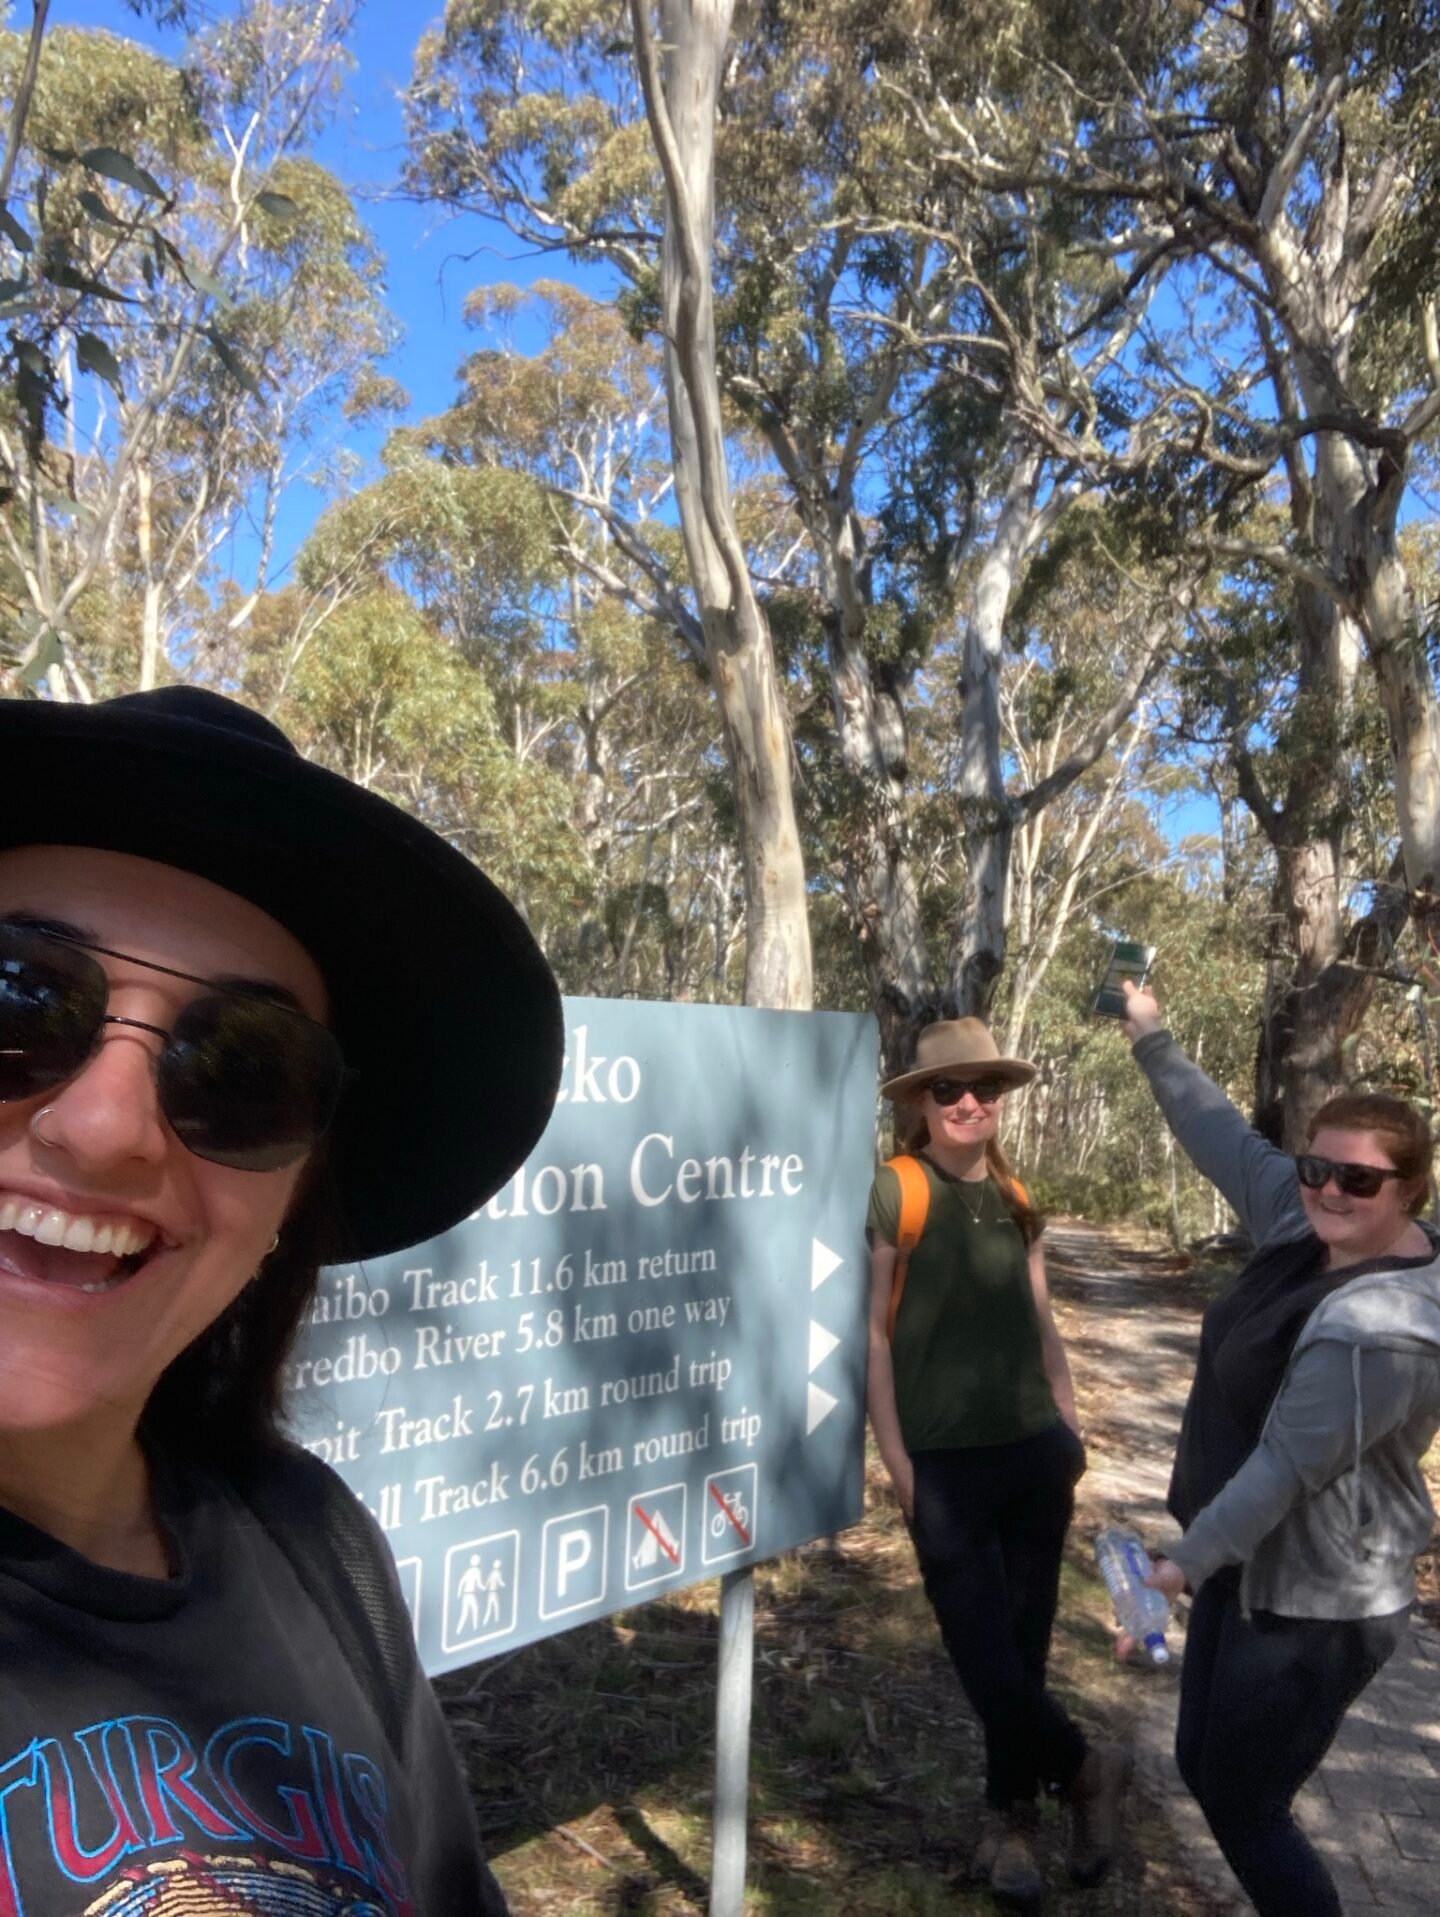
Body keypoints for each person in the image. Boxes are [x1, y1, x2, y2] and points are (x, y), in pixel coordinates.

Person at [0, 686, 565, 1917]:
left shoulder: (316, 1544)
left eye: (245, 1072)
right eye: (16, 999)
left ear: (291, 1199)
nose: (103, 1129)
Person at [1123, 979, 1440, 1917]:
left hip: (1318, 1600)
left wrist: (1179, 1564)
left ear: (1411, 1188)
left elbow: (1284, 1470)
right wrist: (1150, 1031)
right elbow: (1222, 1134)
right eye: (1319, 1168)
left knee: (1247, 1802)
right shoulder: (1306, 1222)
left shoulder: (1382, 1328)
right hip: (1245, 1565)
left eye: (1360, 1179)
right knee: (1200, 1762)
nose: (1331, 1189)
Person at [866, 1017, 1132, 1907]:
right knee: (984, 1657)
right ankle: (1088, 1771)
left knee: (1021, 1651)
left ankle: (1008, 1824)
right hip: (943, 1464)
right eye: (949, 1089)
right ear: (922, 1103)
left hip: (1033, 1455)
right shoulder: (899, 1189)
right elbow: (871, 1334)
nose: (969, 1102)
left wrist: (1067, 1424)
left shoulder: (1017, 1195)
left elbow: (1042, 1317)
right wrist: (899, 1464)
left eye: (984, 1088)